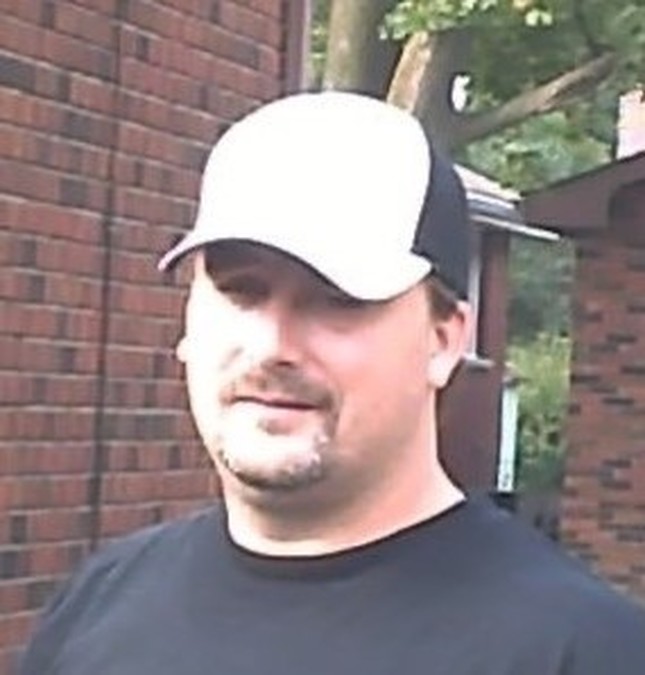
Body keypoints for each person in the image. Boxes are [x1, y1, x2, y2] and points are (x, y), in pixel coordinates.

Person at [20, 91, 645, 675]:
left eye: (336, 300)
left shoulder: (579, 650)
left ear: (444, 340)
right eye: (241, 291)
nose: (273, 346)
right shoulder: (98, 607)